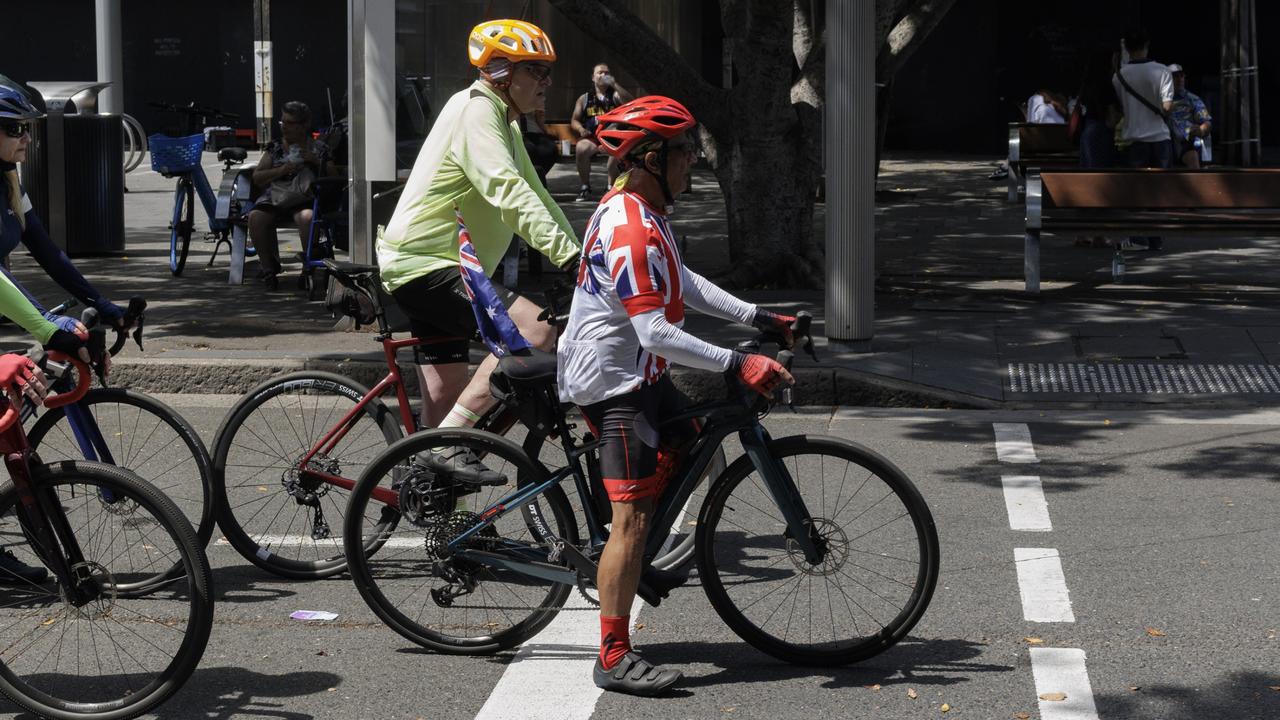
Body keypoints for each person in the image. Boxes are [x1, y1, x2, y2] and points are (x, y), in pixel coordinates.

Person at [556, 95, 796, 696]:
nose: (694, 160)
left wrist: (758, 318)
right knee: (632, 519)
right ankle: (612, 653)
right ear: (647, 159)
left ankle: (628, 550)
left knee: (690, 446)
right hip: (615, 382)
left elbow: (683, 283)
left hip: (641, 370)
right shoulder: (632, 228)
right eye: (684, 150)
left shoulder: (646, 208)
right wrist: (739, 361)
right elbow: (654, 330)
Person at [376, 19, 580, 479]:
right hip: (425, 266)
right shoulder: (476, 111)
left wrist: (583, 251)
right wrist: (568, 258)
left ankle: (435, 506)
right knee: (533, 329)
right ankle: (445, 455)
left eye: (547, 72)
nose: (547, 82)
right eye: (537, 71)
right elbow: (507, 191)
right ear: (502, 72)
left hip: (446, 268)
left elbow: (536, 192)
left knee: (447, 401)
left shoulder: (502, 119)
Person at [247, 100, 336, 291]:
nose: (284, 127)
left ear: (304, 125)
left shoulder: (318, 148)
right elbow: (257, 177)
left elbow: (334, 177)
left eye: (289, 123)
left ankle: (307, 268)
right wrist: (282, 170)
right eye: (282, 122)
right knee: (256, 217)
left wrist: (313, 160)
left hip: (303, 198)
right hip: (277, 197)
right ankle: (269, 269)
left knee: (307, 218)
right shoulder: (276, 148)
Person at [1112, 28, 1173, 251]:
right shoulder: (1162, 71)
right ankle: (1155, 236)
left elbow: (1122, 107)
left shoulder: (1119, 76)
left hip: (1134, 139)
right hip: (1160, 138)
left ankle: (1139, 237)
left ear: (1127, 48)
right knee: (1158, 190)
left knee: (1137, 191)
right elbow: (1166, 108)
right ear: (1147, 45)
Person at [570, 63, 631, 201]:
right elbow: (574, 120)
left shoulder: (615, 94)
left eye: (606, 72)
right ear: (593, 77)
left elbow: (631, 102)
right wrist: (581, 129)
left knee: (617, 148)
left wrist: (615, 84)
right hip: (592, 136)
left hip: (612, 136)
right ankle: (585, 187)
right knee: (581, 148)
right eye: (600, 72)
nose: (603, 75)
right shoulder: (585, 98)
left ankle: (610, 187)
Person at [1168, 64, 1212, 168]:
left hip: (1185, 142)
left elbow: (1207, 121)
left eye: (1181, 75)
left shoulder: (1193, 99)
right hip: (1165, 142)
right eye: (1175, 76)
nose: (1180, 79)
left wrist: (1201, 130)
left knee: (1192, 156)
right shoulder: (1159, 99)